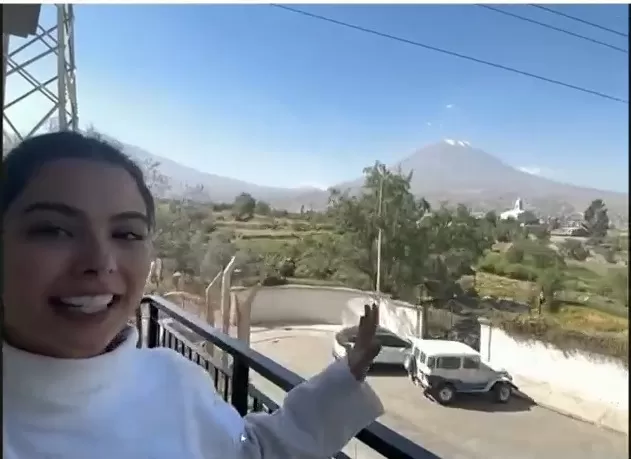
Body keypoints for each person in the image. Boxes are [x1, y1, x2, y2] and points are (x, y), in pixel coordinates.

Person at [2, 131, 385, 459]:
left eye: (128, 234)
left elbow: (249, 452)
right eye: (53, 230)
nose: (100, 263)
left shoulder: (175, 380)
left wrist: (344, 378)